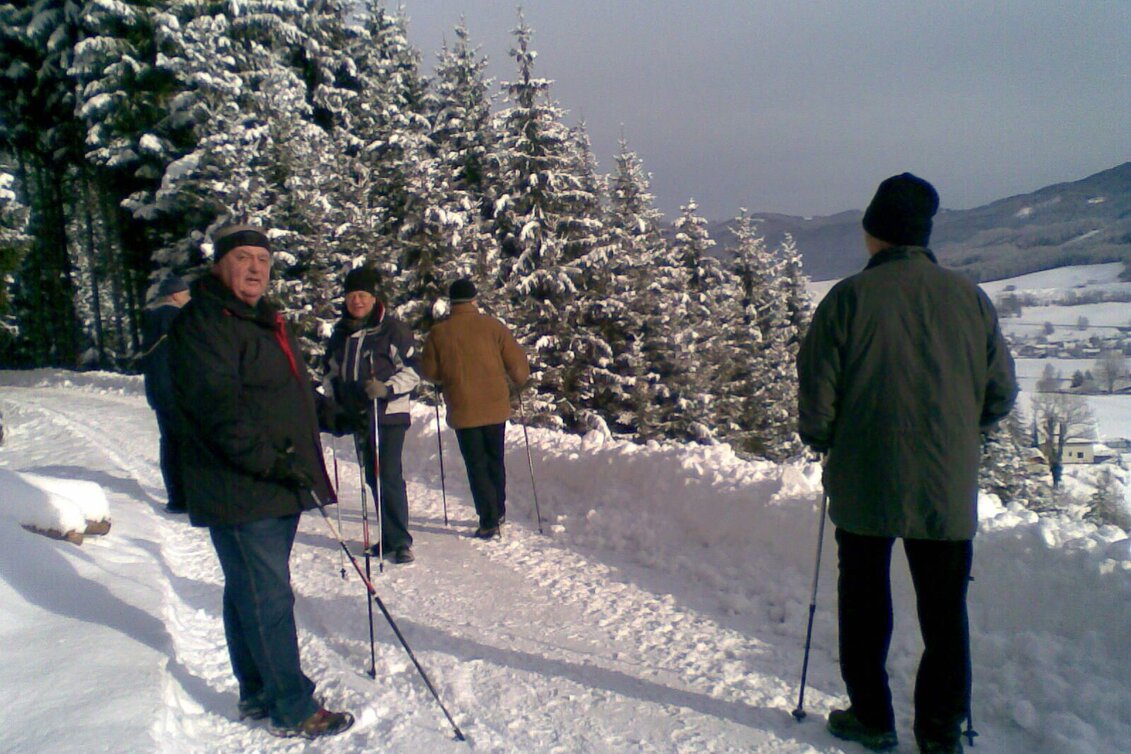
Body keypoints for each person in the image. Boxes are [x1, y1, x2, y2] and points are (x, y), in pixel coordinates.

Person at [797, 174, 1017, 754]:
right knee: (945, 614)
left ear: (875, 234)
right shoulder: (970, 298)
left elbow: (817, 397)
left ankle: (872, 716)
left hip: (864, 479)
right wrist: (962, 434)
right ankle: (940, 733)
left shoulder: (846, 299)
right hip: (945, 484)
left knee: (865, 603)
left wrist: (820, 438)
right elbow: (1000, 394)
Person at [169, 223, 354, 739]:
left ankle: (256, 690)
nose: (255, 268)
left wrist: (329, 413)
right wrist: (269, 461)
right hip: (240, 485)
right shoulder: (204, 323)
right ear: (219, 264)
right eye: (244, 258)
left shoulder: (262, 320)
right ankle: (292, 707)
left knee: (248, 591)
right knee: (268, 597)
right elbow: (217, 409)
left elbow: (287, 390)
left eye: (264, 260)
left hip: (272, 482)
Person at [322, 265, 420, 565]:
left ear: (374, 298)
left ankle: (401, 541)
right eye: (352, 296)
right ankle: (388, 537)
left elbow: (415, 372)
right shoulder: (341, 333)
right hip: (359, 414)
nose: (357, 301)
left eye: (363, 295)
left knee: (388, 474)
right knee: (372, 476)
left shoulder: (392, 330)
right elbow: (331, 371)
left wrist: (387, 388)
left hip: (389, 413)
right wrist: (334, 397)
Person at [421, 279, 530, 539]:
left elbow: (430, 371)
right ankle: (499, 510)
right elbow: (517, 364)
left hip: (462, 407)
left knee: (476, 464)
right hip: (495, 405)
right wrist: (519, 381)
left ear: (450, 302)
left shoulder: (439, 332)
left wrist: (444, 378)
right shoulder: (493, 327)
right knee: (495, 458)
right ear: (474, 300)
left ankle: (488, 519)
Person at [140, 275, 191, 513]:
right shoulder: (173, 317)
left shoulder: (152, 318)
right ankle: (186, 498)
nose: (188, 297)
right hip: (174, 389)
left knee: (169, 442)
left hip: (158, 390)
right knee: (184, 442)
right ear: (174, 295)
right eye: (185, 293)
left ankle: (176, 497)